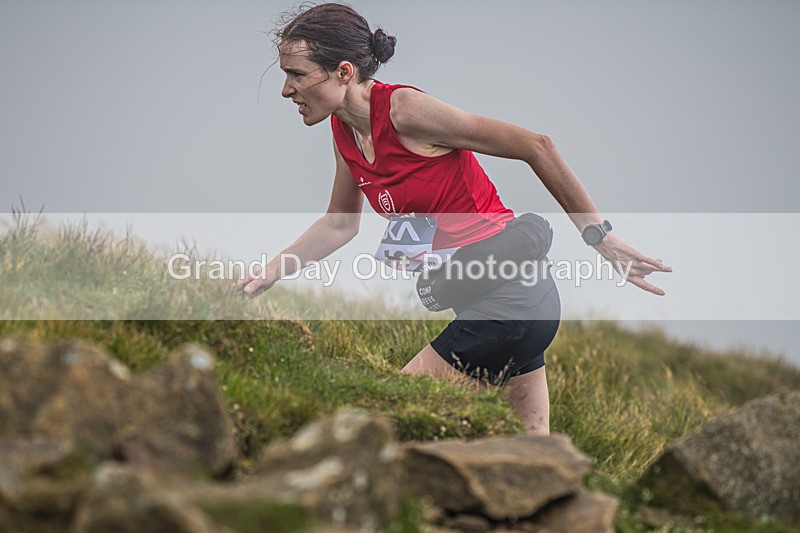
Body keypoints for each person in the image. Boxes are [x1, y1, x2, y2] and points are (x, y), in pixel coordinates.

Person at [237, 3, 672, 435]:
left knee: (384, 422)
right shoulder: (344, 131)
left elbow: (536, 146)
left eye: (297, 74)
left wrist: (600, 237)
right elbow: (339, 223)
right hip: (488, 300)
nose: (286, 90)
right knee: (532, 452)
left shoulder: (405, 110)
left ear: (344, 72)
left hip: (510, 297)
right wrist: (275, 269)